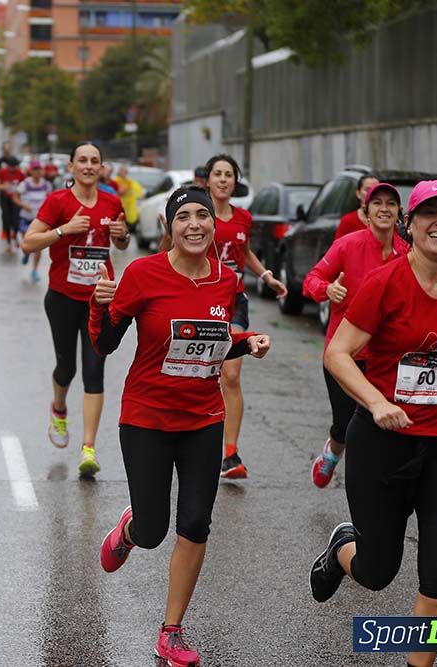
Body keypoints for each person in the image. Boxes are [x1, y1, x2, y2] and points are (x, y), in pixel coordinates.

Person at [310, 180, 437, 667]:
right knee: (378, 572)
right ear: (410, 224)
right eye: (429, 213)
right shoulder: (385, 282)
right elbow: (337, 354)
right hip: (384, 441)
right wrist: (377, 403)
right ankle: (342, 548)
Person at [91, 186, 271, 667]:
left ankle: (171, 631)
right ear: (169, 226)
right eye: (184, 216)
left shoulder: (226, 280)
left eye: (203, 216)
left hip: (203, 419)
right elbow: (106, 342)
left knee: (194, 523)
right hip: (147, 418)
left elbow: (211, 341)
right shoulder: (143, 274)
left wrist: (246, 341)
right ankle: (131, 530)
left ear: (214, 224)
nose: (194, 224)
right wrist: (97, 305)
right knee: (154, 531)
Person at [21, 142, 129, 478]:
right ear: (71, 167)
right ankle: (59, 407)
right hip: (63, 297)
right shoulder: (58, 202)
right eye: (82, 160)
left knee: (94, 369)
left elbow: (122, 242)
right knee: (66, 367)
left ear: (101, 168)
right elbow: (27, 242)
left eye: (94, 161)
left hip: (99, 298)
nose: (88, 166)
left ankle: (88, 449)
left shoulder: (112, 201)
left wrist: (122, 235)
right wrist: (62, 231)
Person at [302, 182, 410, 488]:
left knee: (377, 424)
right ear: (367, 212)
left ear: (399, 213)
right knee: (346, 425)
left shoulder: (407, 255)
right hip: (343, 355)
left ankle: (370, 486)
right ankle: (332, 454)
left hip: (385, 357)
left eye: (391, 203)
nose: (385, 209)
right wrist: (328, 289)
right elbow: (311, 279)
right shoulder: (348, 245)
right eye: (378, 204)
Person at [193, 154, 287, 479]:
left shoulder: (244, 217)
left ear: (235, 181)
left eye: (228, 174)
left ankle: (230, 454)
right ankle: (189, 441)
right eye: (217, 174)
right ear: (207, 179)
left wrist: (266, 276)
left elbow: (243, 251)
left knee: (230, 376)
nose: (222, 179)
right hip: (199, 299)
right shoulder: (197, 215)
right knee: (198, 374)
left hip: (233, 300)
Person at [16, 159, 53, 282]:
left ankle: (34, 270)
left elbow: (51, 200)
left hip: (40, 221)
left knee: (38, 246)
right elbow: (15, 196)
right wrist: (22, 204)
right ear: (30, 171)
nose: (37, 172)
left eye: (39, 169)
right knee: (26, 243)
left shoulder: (46, 185)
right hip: (26, 218)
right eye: (35, 169)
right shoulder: (25, 184)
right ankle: (26, 254)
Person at [334, 174, 380, 241]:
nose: (372, 193)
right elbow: (338, 248)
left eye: (376, 190)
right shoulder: (347, 221)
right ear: (358, 193)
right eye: (367, 190)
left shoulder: (388, 220)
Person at [0, 156, 26, 252]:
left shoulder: (20, 173)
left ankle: (15, 238)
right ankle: (8, 242)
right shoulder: (2, 172)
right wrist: (3, 186)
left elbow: (24, 185)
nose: (12, 168)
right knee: (6, 220)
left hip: (16, 200)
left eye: (14, 166)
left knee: (16, 220)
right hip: (5, 199)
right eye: (11, 166)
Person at [114, 164, 145, 236]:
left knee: (126, 230)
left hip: (129, 210)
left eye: (125, 171)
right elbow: (118, 191)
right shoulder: (115, 181)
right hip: (118, 209)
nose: (124, 172)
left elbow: (140, 193)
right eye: (122, 170)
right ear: (119, 171)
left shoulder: (130, 182)